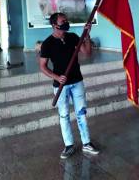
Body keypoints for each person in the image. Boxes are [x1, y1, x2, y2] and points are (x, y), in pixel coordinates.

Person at [39, 12, 99, 159]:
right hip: (61, 85)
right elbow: (43, 66)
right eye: (63, 21)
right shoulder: (47, 44)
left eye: (66, 20)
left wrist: (86, 36)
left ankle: (86, 143)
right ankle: (69, 145)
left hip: (77, 81)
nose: (66, 22)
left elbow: (87, 53)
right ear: (54, 25)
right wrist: (57, 77)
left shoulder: (72, 37)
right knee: (64, 115)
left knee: (81, 113)